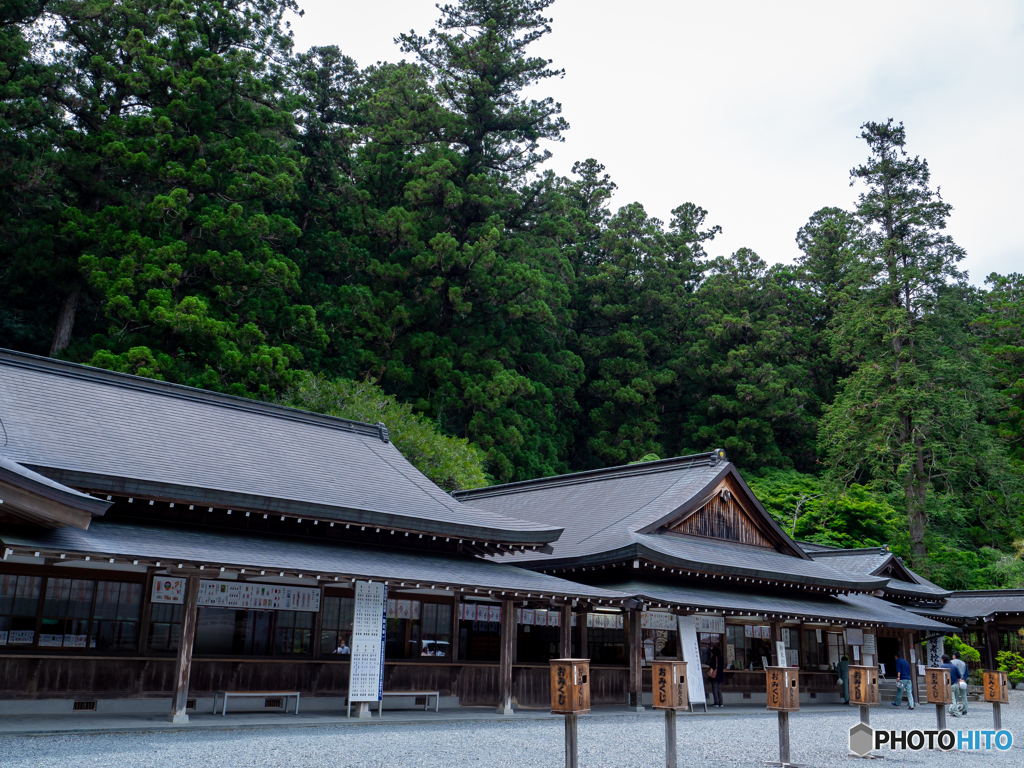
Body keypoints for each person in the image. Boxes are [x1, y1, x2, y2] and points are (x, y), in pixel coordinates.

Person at [951, 651, 969, 716]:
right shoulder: (964, 663)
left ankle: (957, 707)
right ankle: (965, 710)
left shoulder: (951, 662)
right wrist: (963, 679)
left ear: (954, 656)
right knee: (964, 696)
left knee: (955, 696)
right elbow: (967, 673)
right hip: (963, 681)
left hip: (955, 681)